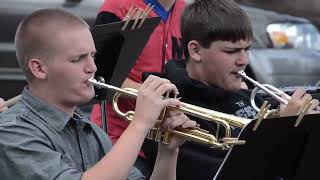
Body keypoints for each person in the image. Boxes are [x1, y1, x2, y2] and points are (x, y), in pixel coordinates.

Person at [0, 9, 196, 180]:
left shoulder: (90, 131)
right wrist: (140, 123)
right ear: (39, 69)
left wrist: (168, 151)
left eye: (92, 56)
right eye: (77, 59)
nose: (93, 67)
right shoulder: (11, 132)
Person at [142, 0, 320, 180]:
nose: (244, 60)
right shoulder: (172, 113)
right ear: (196, 51)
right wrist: (282, 128)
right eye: (231, 51)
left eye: (247, 49)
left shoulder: (242, 94)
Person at [90, 0, 186, 176]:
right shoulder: (117, 6)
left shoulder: (185, 9)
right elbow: (98, 77)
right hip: (119, 135)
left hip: (167, 137)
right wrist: (152, 95)